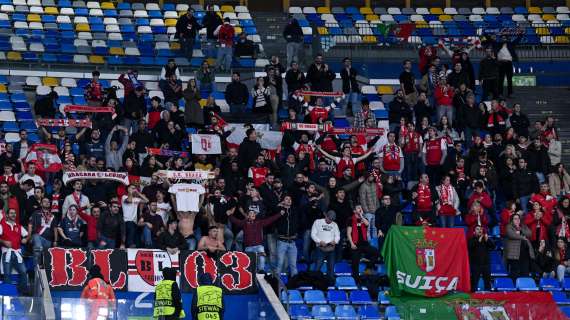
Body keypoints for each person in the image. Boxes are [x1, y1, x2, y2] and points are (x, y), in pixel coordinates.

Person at [228, 207, 282, 273]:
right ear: (247, 215)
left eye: (254, 213)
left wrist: (279, 214)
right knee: (251, 268)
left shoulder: (259, 222)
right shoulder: (244, 223)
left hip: (259, 246)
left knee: (261, 260)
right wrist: (230, 215)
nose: (253, 214)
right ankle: (253, 274)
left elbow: (270, 220)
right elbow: (236, 222)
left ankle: (261, 270)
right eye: (251, 213)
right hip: (249, 247)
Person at [0, 207, 29, 293]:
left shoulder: (19, 226)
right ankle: (7, 294)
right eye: (11, 213)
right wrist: (3, 241)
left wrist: (26, 239)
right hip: (7, 252)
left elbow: (27, 236)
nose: (13, 214)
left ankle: (21, 293)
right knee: (7, 274)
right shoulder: (2, 225)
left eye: (14, 213)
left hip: (17, 253)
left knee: (24, 272)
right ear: (7, 215)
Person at [347, 205, 378, 280]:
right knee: (355, 263)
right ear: (354, 211)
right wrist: (351, 243)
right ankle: (357, 280)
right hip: (355, 244)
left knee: (376, 253)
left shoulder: (364, 219)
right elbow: (348, 233)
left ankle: (368, 266)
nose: (360, 209)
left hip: (364, 243)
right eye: (358, 208)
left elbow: (367, 224)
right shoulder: (350, 219)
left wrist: (361, 216)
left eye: (361, 208)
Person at [504, 213, 534, 279]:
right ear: (512, 220)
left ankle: (524, 288)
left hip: (525, 254)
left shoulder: (523, 226)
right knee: (515, 272)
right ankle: (514, 287)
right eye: (515, 219)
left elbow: (529, 233)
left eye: (518, 219)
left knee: (525, 272)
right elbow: (511, 235)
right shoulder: (509, 226)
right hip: (514, 254)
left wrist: (520, 230)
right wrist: (523, 237)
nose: (517, 220)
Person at [468, 225, 494, 291]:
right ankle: (473, 296)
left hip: (486, 264)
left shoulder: (485, 239)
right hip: (475, 265)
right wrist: (478, 241)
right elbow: (470, 247)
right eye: (477, 229)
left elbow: (493, 246)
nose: (480, 230)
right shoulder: (471, 239)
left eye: (481, 229)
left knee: (487, 281)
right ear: (474, 232)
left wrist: (488, 240)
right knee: (474, 282)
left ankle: (488, 295)